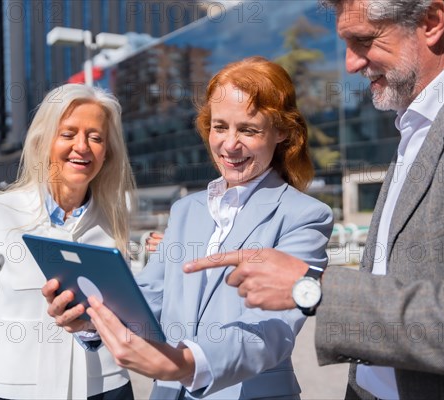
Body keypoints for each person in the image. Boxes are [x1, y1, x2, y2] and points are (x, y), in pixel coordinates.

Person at [184, 0, 444, 399]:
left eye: (364, 40)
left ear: (432, 21)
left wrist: (312, 289)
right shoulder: (418, 125)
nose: (350, 64)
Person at [43, 56, 334, 399]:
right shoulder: (186, 210)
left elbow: (275, 330)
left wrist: (188, 363)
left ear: (282, 131)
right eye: (220, 127)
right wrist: (91, 318)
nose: (229, 145)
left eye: (249, 129)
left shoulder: (305, 214)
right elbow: (148, 298)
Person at [0, 84, 137, 400]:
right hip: (17, 393)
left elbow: (126, 316)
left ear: (108, 151)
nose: (82, 146)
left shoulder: (114, 222)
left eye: (96, 137)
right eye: (68, 133)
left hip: (108, 390)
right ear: (44, 142)